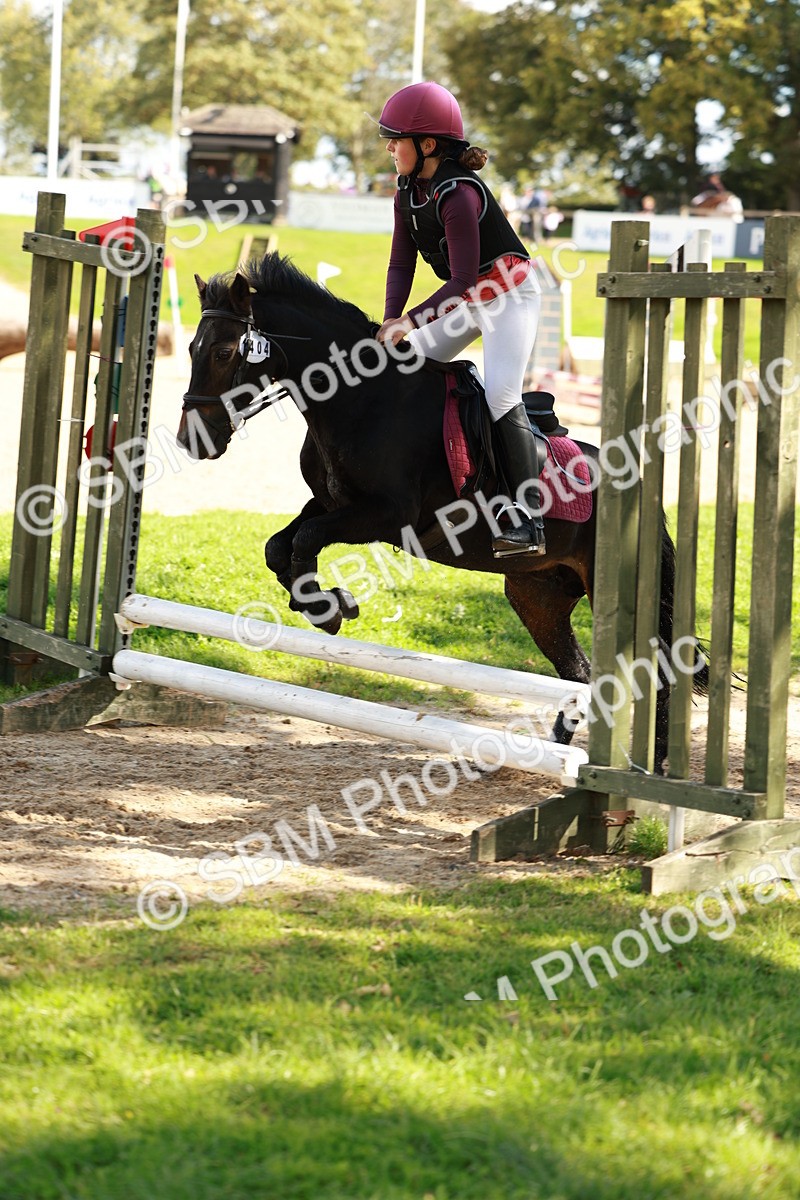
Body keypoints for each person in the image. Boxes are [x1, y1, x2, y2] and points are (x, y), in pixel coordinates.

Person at [374, 81, 545, 557]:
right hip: (469, 299)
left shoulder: (459, 193)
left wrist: (411, 321)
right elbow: (400, 264)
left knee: (501, 393)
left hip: (509, 295)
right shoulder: (407, 191)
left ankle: (529, 519)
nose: (389, 147)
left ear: (427, 145)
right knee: (402, 370)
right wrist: (392, 321)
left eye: (395, 139)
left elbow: (466, 278)